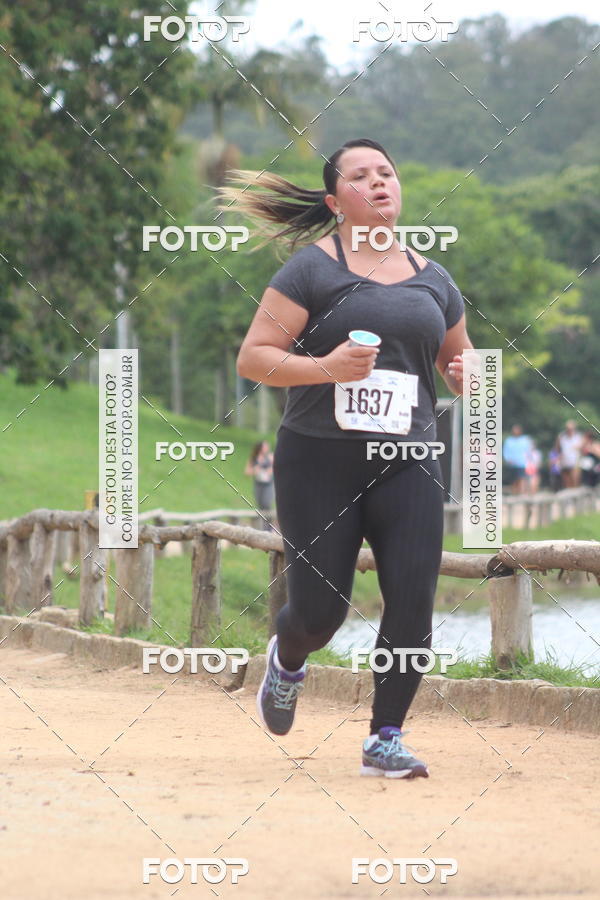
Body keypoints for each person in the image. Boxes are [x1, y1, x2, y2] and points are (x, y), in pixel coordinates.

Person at [224, 137, 473, 778]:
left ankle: (384, 737)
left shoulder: (434, 278)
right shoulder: (310, 271)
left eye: (387, 172)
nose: (379, 182)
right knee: (321, 612)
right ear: (337, 202)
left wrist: (464, 372)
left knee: (413, 599)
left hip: (410, 455)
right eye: (361, 177)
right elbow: (254, 357)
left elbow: (457, 358)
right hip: (318, 460)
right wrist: (326, 368)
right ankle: (288, 656)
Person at [244, 440, 275, 529]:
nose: (267, 448)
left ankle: (269, 527)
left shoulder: (270, 457)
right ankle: (263, 526)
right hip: (258, 484)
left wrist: (269, 471)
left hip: (268, 485)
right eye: (265, 447)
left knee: (266, 503)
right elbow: (247, 472)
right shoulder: (254, 458)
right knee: (260, 504)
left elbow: (276, 467)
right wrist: (255, 470)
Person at [502, 424, 532, 495]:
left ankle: (521, 493)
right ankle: (515, 493)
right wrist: (508, 459)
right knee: (514, 480)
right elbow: (505, 452)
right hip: (512, 464)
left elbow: (528, 451)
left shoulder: (525, 440)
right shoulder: (509, 441)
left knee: (522, 478)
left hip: (522, 463)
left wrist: (529, 461)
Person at [557, 420, 583, 488]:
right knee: (566, 483)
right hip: (564, 461)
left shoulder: (578, 437)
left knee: (575, 481)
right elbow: (558, 449)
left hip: (575, 461)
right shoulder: (561, 437)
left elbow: (582, 448)